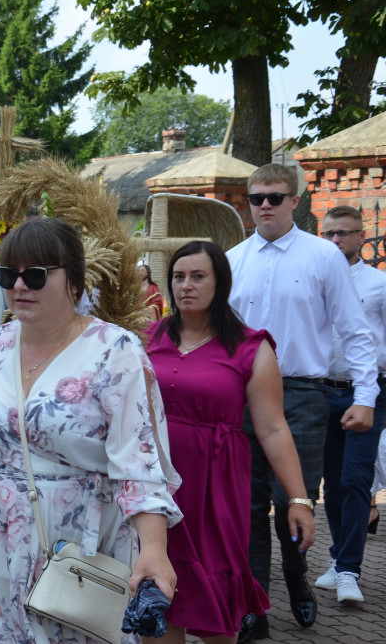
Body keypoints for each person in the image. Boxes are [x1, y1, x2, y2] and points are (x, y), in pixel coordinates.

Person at [0, 217, 182, 643]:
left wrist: (154, 552)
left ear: (75, 281)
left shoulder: (115, 351)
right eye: (9, 275)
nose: (20, 286)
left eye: (36, 275)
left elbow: (139, 464)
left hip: (75, 548)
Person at [226, 163, 378, 640]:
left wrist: (367, 396)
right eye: (256, 198)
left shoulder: (323, 256)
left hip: (302, 395)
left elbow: (355, 332)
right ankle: (254, 605)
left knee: (292, 499)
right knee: (247, 505)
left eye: (275, 196)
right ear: (248, 203)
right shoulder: (231, 259)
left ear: (296, 201)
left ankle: (296, 578)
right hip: (241, 393)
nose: (265, 205)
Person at [145, 241, 315, 643]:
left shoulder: (251, 347)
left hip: (216, 487)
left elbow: (273, 429)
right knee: (156, 600)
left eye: (198, 276)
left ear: (221, 284)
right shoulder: (148, 338)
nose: (186, 285)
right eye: (179, 277)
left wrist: (299, 500)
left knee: (215, 601)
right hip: (156, 483)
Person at [311, 205, 386, 604]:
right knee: (334, 483)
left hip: (366, 391)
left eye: (345, 233)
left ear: (361, 236)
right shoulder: (315, 280)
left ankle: (349, 571)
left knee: (357, 478)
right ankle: (340, 557)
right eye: (330, 234)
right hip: (324, 392)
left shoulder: (379, 284)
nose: (337, 241)